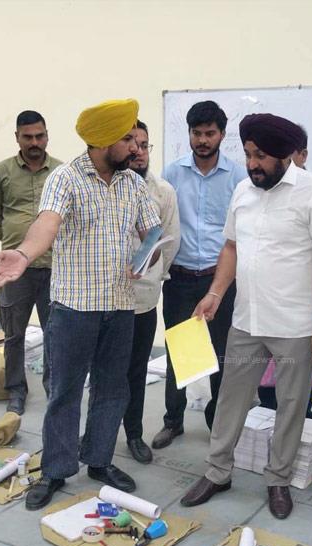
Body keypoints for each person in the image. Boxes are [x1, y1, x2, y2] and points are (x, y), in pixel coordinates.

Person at [0, 99, 160, 510]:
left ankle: (98, 460)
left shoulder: (133, 183)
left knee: (112, 389)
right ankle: (56, 470)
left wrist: (145, 255)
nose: (135, 148)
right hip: (73, 309)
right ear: (101, 141)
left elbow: (152, 231)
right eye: (126, 140)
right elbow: (47, 223)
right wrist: (24, 255)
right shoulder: (65, 178)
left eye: (137, 141)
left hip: (119, 306)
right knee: (63, 393)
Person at [179, 114, 312, 520]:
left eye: (261, 156)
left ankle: (278, 480)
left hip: (295, 326)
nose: (252, 163)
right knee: (231, 399)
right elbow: (232, 247)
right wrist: (215, 293)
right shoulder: (243, 190)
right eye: (249, 154)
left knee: (290, 406)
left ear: (286, 156)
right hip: (247, 320)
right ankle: (218, 472)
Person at [152, 101, 244, 450]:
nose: (203, 140)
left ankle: (217, 424)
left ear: (222, 134)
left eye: (209, 133)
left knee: (221, 354)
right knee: (181, 352)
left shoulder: (238, 177)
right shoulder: (172, 174)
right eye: (196, 133)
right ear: (189, 134)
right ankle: (172, 421)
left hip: (219, 280)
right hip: (181, 278)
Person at [0, 110, 63, 416]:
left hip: (55, 268)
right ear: (17, 137)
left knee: (55, 335)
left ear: (47, 136)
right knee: (14, 334)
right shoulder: (1, 172)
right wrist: (14, 241)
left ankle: (54, 389)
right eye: (28, 137)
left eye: (40, 136)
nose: (34, 142)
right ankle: (16, 390)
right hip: (14, 272)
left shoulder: (60, 172)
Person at [120, 120, 179, 463]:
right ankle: (98, 432)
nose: (139, 152)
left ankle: (134, 434)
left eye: (145, 145)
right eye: (133, 144)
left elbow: (170, 242)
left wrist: (155, 275)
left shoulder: (163, 191)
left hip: (143, 297)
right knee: (105, 370)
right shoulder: (108, 187)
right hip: (106, 297)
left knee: (136, 370)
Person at [258, 130, 312, 418]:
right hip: (264, 313)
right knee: (267, 395)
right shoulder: (261, 192)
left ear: (302, 155)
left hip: (301, 316)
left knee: (297, 395)